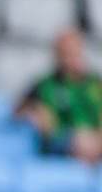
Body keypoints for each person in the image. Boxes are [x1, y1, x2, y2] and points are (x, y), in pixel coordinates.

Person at [17, 28, 102, 165]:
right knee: (78, 142)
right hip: (61, 139)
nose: (71, 59)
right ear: (57, 55)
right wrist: (35, 110)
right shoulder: (45, 84)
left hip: (93, 138)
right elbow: (17, 110)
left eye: (75, 53)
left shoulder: (95, 82)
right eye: (66, 54)